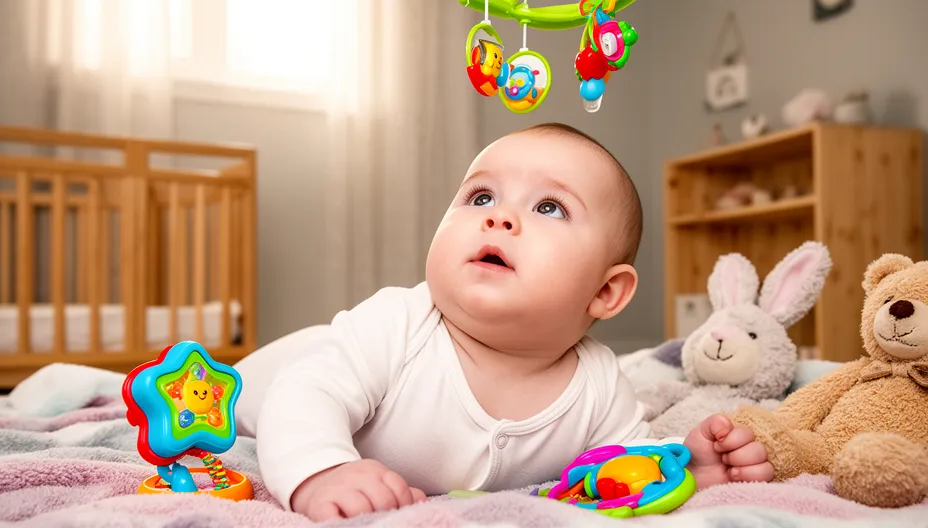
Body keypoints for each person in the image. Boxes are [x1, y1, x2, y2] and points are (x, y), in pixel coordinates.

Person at [233, 123, 774, 522]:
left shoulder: (598, 384)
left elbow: (622, 462)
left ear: (605, 292)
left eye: (549, 207)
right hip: (264, 378)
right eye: (481, 196)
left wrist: (685, 467)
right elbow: (303, 396)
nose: (499, 216)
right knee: (227, 389)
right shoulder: (398, 323)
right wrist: (321, 472)